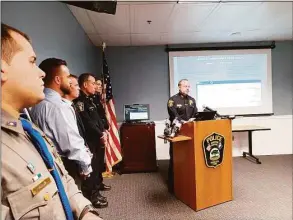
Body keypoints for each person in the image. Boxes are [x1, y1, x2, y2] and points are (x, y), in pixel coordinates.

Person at [1, 23, 102, 219]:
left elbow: (59, 177)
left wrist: (84, 212)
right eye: (31, 61)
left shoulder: (27, 128)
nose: (41, 73)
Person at [30, 58, 93, 190]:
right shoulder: (59, 107)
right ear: (58, 80)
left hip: (48, 163)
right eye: (67, 77)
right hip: (66, 165)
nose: (70, 81)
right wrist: (85, 166)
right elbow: (71, 143)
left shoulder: (35, 103)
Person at [74, 73, 110, 208]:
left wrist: (103, 131)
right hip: (90, 139)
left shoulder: (90, 100)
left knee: (97, 165)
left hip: (98, 137)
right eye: (93, 83)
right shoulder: (80, 102)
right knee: (92, 167)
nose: (95, 86)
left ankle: (96, 190)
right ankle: (92, 196)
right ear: (85, 84)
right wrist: (100, 134)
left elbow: (98, 119)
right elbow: (87, 123)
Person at [166, 79, 198, 193]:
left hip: (191, 133)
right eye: (185, 86)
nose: (187, 88)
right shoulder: (172, 100)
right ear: (179, 87)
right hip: (178, 132)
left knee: (189, 157)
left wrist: (192, 120)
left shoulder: (192, 100)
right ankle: (172, 186)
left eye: (189, 86)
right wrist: (183, 122)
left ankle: (188, 183)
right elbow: (173, 114)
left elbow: (195, 115)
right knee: (175, 158)